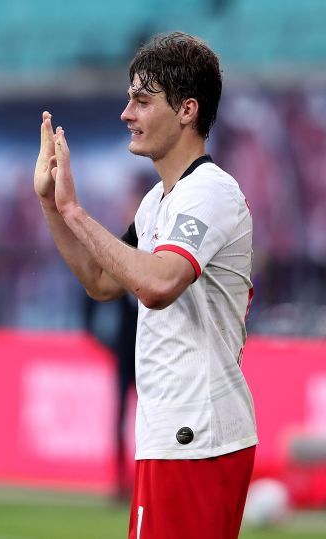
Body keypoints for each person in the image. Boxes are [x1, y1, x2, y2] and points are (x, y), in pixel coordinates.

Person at [34, 32, 257, 539]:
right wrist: (51, 203)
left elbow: (158, 285)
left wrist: (74, 210)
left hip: (197, 433)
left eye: (141, 100)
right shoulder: (158, 200)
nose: (126, 114)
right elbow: (101, 281)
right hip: (175, 433)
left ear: (186, 110)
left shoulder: (210, 191)